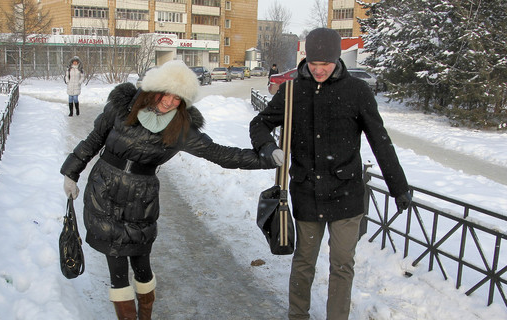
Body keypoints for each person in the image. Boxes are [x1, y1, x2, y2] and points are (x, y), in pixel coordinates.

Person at [60, 60, 277, 320]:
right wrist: (71, 172)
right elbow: (94, 139)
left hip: (141, 200)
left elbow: (220, 154)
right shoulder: (122, 107)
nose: (171, 101)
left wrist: (267, 158)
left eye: (179, 98)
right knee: (117, 267)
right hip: (104, 191)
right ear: (155, 88)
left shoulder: (180, 128)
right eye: (168, 93)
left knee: (142, 265)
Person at [249, 28, 412, 320]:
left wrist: (398, 186)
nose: (319, 69)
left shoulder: (357, 92)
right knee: (303, 262)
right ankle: (297, 316)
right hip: (306, 192)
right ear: (306, 59)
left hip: (346, 194)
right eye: (313, 64)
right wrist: (267, 147)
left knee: (342, 265)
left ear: (337, 60)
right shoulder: (292, 91)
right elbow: (259, 123)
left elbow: (380, 140)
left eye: (325, 64)